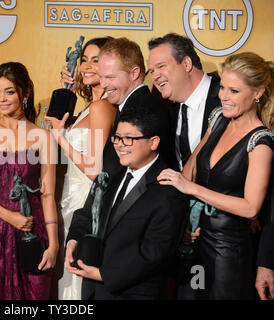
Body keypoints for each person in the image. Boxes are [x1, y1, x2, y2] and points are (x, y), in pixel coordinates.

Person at [157, 52, 274, 299]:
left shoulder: (261, 142)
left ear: (258, 92)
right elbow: (191, 168)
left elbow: (251, 208)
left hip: (228, 254)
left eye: (234, 91)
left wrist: (193, 190)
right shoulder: (218, 118)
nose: (223, 96)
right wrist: (185, 218)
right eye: (222, 88)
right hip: (195, 242)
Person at [65, 102, 187, 300]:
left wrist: (105, 274)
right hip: (93, 292)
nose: (120, 145)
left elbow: (155, 252)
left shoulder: (169, 189)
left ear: (153, 142)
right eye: (117, 138)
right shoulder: (111, 176)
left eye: (129, 139)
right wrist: (73, 240)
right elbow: (86, 213)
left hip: (133, 293)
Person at [0, 62, 58, 300]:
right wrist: (9, 217)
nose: (1, 99)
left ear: (25, 93)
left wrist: (54, 244)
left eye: (10, 91)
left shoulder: (44, 137)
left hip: (34, 229)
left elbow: (47, 195)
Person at [44, 36, 116, 300]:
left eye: (95, 60)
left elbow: (97, 170)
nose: (86, 65)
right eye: (83, 59)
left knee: (75, 284)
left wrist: (62, 137)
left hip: (84, 201)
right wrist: (67, 92)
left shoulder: (102, 107)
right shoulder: (88, 107)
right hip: (70, 199)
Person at [98, 37, 173, 175]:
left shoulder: (142, 109)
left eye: (110, 77)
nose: (103, 85)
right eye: (101, 77)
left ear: (134, 73)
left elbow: (114, 171)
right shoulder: (132, 104)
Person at [148, 33, 221, 171]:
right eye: (152, 71)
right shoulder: (169, 112)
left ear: (186, 64)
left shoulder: (226, 98)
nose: (155, 77)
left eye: (161, 66)